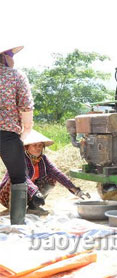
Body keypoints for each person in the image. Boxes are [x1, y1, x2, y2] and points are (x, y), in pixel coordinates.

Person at [0, 130, 91, 215]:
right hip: (10, 195)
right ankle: (15, 208)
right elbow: (24, 178)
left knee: (51, 179)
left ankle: (33, 207)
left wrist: (76, 190)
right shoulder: (20, 158)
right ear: (26, 147)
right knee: (16, 180)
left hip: (30, 194)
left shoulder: (43, 159)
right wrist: (35, 192)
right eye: (34, 145)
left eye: (40, 145)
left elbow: (57, 174)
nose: (38, 148)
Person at [0, 43, 34, 224]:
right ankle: (18, 223)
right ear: (5, 57)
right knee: (19, 177)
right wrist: (25, 133)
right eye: (11, 54)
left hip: (7, 134)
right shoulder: (16, 76)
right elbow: (26, 107)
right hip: (7, 135)